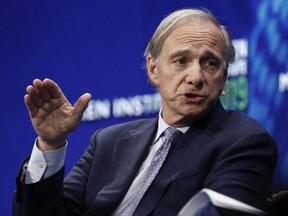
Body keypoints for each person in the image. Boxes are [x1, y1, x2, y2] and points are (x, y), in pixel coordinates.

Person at [14, 8, 278, 216]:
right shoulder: (108, 141)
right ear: (154, 70)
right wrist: (51, 144)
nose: (196, 77)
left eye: (210, 63)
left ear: (223, 78)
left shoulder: (245, 141)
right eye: (181, 60)